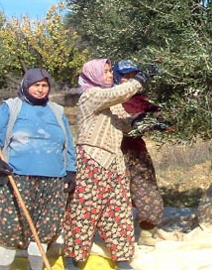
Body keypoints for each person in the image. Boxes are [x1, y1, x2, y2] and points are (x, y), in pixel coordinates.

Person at [0, 68, 76, 270]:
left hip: (53, 182)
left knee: (44, 230)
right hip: (16, 180)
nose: (40, 89)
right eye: (36, 85)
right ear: (26, 85)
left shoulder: (57, 111)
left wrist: (71, 171)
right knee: (8, 229)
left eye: (44, 85)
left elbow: (68, 143)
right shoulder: (10, 107)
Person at [63, 58, 147, 270]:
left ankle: (122, 259)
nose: (110, 75)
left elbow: (125, 126)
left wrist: (143, 122)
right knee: (83, 211)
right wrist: (140, 80)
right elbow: (117, 93)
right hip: (92, 160)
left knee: (119, 211)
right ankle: (73, 258)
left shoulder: (112, 102)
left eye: (111, 71)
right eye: (106, 72)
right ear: (94, 75)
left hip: (115, 164)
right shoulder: (90, 96)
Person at [112, 60, 168, 246]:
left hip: (137, 153)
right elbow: (128, 123)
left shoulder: (141, 99)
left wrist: (163, 121)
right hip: (113, 154)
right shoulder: (109, 97)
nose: (129, 80)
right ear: (117, 77)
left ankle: (146, 232)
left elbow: (160, 114)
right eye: (125, 76)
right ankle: (118, 239)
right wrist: (144, 121)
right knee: (116, 197)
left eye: (132, 76)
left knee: (148, 193)